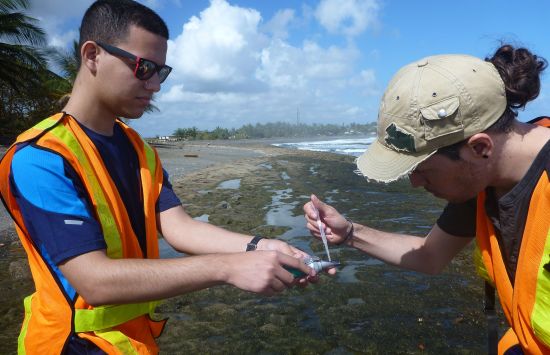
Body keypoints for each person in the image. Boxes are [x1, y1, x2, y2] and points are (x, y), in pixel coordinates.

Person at [0, 1, 315, 353]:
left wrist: (260, 246)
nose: (155, 85)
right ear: (92, 56)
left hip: (133, 342)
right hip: (69, 344)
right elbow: (94, 280)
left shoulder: (138, 149)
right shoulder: (40, 158)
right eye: (143, 67)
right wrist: (228, 267)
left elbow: (180, 228)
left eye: (160, 72)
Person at [304, 45, 550, 354]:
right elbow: (429, 254)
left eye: (422, 169)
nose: (415, 182)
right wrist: (350, 232)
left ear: (480, 148)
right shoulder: (482, 182)